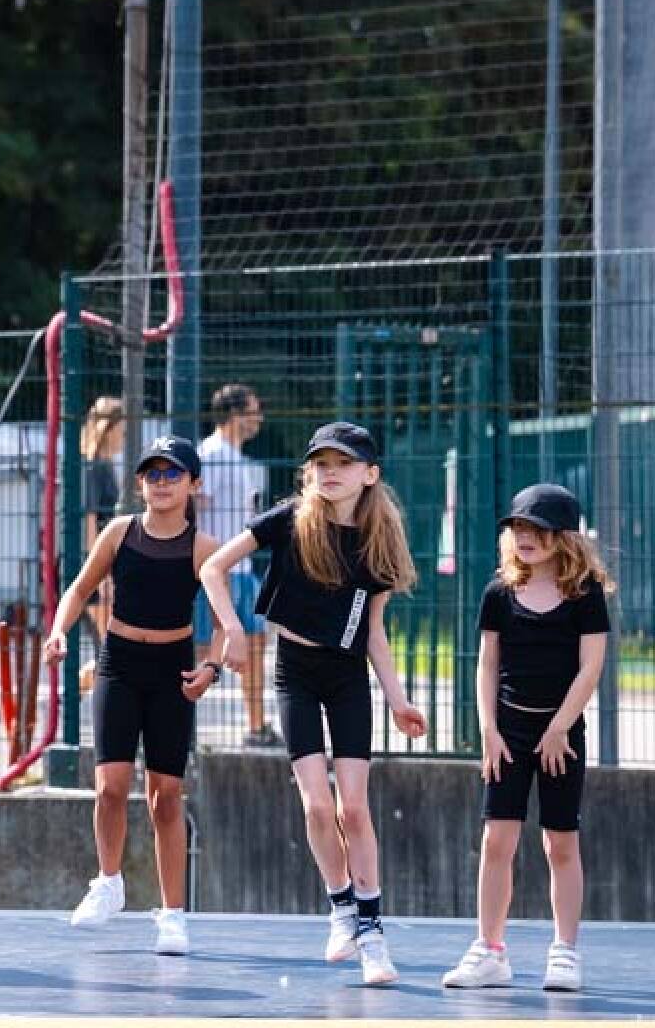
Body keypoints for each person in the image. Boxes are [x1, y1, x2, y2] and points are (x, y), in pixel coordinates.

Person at [200, 421, 425, 985]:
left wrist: (398, 700)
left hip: (346, 677)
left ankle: (372, 931)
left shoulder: (378, 541)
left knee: (354, 809)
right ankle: (341, 906)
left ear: (370, 474)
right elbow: (212, 567)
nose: (330, 472)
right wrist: (232, 629)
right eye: (322, 463)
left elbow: (374, 631)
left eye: (344, 463)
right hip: (294, 673)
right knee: (318, 807)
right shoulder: (289, 519)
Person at [44, 435, 225, 957]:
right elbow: (79, 588)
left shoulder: (204, 548)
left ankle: (173, 915)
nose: (162, 483)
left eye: (173, 474)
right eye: (153, 474)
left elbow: (224, 623)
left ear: (193, 483)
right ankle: (108, 883)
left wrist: (211, 667)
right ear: (140, 482)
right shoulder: (119, 532)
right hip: (119, 663)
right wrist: (59, 631)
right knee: (110, 787)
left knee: (165, 795)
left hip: (172, 671)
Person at [442, 484, 612, 994]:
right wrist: (489, 731)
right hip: (508, 734)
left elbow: (591, 668)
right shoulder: (498, 593)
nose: (525, 537)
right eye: (518, 527)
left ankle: (565, 952)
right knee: (497, 840)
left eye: (537, 529)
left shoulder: (585, 594)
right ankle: (490, 951)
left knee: (560, 842)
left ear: (565, 537)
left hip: (562, 734)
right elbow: (487, 664)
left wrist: (559, 727)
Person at [193, 383, 274, 746]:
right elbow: (195, 505)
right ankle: (180, 726)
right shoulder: (211, 454)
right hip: (215, 572)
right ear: (234, 414)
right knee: (200, 650)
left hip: (242, 571)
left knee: (256, 643)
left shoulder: (237, 456)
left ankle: (256, 728)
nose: (259, 418)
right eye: (253, 410)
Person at [78, 397, 124, 690]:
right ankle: (69, 693)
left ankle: (71, 691)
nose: (125, 436)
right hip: (95, 566)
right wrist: (103, 573)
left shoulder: (106, 465)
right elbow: (89, 522)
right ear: (110, 428)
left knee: (109, 649)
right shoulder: (93, 467)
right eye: (123, 429)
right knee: (112, 647)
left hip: (106, 564)